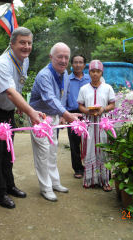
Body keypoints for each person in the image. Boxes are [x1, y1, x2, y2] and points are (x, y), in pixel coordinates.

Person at [0, 27, 43, 209]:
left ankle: (9, 185)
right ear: (12, 43)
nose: (26, 46)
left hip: (7, 112)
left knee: (8, 152)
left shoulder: (25, 60)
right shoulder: (2, 63)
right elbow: (9, 91)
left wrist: (19, 107)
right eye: (22, 42)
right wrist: (30, 111)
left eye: (29, 43)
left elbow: (18, 86)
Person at [29, 42, 79, 202]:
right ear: (51, 57)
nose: (63, 60)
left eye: (66, 57)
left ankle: (55, 182)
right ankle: (46, 188)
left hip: (54, 116)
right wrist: (66, 114)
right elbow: (50, 98)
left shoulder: (65, 74)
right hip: (39, 118)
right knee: (43, 153)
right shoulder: (44, 75)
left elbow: (62, 95)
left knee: (52, 150)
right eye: (60, 57)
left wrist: (62, 114)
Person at [77, 60, 115, 192]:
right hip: (89, 123)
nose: (95, 74)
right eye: (92, 71)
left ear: (101, 72)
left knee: (103, 149)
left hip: (103, 122)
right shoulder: (83, 89)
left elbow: (112, 104)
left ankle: (105, 181)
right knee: (89, 149)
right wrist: (87, 111)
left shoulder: (108, 88)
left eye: (98, 71)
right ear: (89, 72)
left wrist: (103, 109)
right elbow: (80, 105)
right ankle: (90, 180)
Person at [66, 54, 91, 179]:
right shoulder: (66, 79)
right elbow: (62, 96)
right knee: (74, 143)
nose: (78, 65)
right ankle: (78, 168)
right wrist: (64, 114)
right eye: (75, 62)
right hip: (71, 114)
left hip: (88, 113)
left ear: (84, 65)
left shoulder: (89, 79)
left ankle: (90, 166)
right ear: (72, 64)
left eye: (81, 62)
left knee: (89, 141)